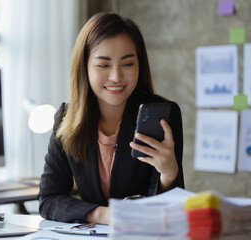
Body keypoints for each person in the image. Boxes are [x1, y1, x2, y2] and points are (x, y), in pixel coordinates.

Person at [38, 12, 184, 225]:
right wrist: (103, 214)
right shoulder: (65, 119)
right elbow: (49, 199)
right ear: (85, 67)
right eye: (103, 65)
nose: (116, 76)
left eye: (127, 64)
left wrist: (169, 176)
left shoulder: (163, 115)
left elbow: (174, 210)